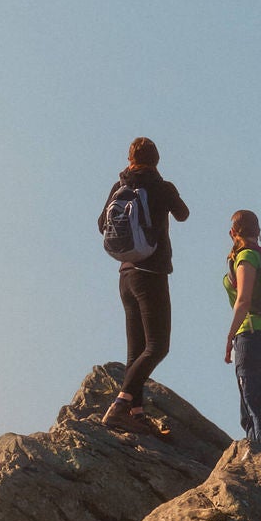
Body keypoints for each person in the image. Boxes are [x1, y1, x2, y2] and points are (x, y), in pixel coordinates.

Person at [99, 137, 188, 433]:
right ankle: (121, 405)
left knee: (135, 351)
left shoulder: (118, 188)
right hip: (151, 274)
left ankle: (136, 414)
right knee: (158, 346)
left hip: (125, 276)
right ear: (156, 160)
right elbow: (183, 213)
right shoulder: (161, 188)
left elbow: (102, 224)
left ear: (129, 159)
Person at [224, 209, 261, 454]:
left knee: (255, 404)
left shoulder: (247, 257)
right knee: (254, 406)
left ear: (233, 233)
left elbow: (243, 299)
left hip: (252, 337)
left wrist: (230, 336)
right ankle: (258, 458)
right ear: (258, 232)